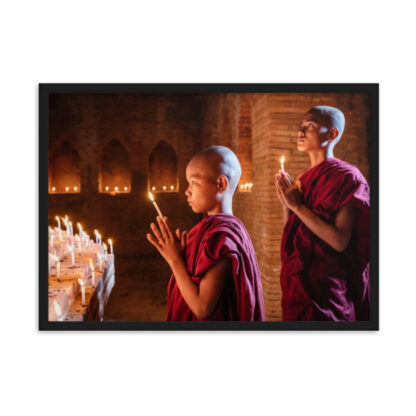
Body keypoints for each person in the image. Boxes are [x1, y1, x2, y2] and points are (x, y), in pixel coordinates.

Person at [147, 145, 265, 321]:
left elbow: (202, 308)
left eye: (194, 182)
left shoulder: (221, 237)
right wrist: (183, 256)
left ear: (220, 184)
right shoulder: (215, 229)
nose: (187, 190)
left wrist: (174, 260)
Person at [275, 105, 370, 321]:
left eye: (310, 125)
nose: (301, 131)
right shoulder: (303, 179)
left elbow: (339, 241)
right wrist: (287, 204)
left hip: (328, 290)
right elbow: (293, 235)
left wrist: (298, 206)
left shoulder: (347, 177)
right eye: (301, 126)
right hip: (298, 285)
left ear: (332, 134)